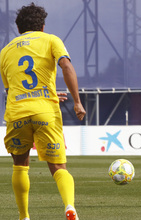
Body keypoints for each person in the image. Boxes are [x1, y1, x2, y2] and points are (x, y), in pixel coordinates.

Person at [0, 3, 86, 220]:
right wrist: (77, 101)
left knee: (20, 166)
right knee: (58, 165)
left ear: (18, 29)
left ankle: (24, 216)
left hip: (17, 112)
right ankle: (69, 206)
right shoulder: (51, 40)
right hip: (45, 112)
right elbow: (66, 67)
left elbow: (12, 89)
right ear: (43, 26)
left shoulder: (5, 51)